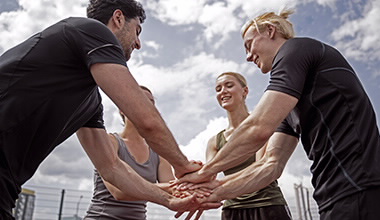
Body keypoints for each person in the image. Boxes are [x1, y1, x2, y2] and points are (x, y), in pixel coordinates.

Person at [0, 0, 220, 219]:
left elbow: (112, 168)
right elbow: (147, 121)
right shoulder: (90, 30)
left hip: (7, 186)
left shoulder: (91, 102)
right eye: (137, 31)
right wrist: (183, 166)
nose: (138, 43)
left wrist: (168, 199)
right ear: (118, 18)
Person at [178, 9, 380, 220]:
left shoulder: (297, 49)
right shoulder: (288, 103)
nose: (248, 56)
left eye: (249, 44)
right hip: (332, 195)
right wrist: (214, 191)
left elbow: (258, 128)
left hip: (364, 184)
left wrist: (205, 173)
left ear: (270, 31)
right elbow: (270, 166)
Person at [85, 86, 184, 219]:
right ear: (122, 108)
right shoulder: (110, 142)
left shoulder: (158, 153)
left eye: (151, 102)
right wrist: (172, 187)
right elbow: (120, 192)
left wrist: (195, 185)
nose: (147, 105)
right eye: (140, 99)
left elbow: (173, 190)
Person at [206, 72, 292, 219]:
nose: (223, 91)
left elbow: (261, 167)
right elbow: (208, 177)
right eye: (218, 89)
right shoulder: (215, 141)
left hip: (267, 204)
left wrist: (218, 186)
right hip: (232, 210)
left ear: (245, 91)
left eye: (229, 85)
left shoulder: (262, 127)